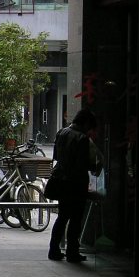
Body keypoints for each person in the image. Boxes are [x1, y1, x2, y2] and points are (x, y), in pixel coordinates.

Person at [48, 108, 102, 262]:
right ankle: (72, 252)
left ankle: (53, 249)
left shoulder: (61, 132)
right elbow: (83, 164)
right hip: (76, 183)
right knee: (76, 219)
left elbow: (56, 157)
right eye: (89, 126)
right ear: (85, 123)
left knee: (62, 216)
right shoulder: (82, 138)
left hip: (61, 181)